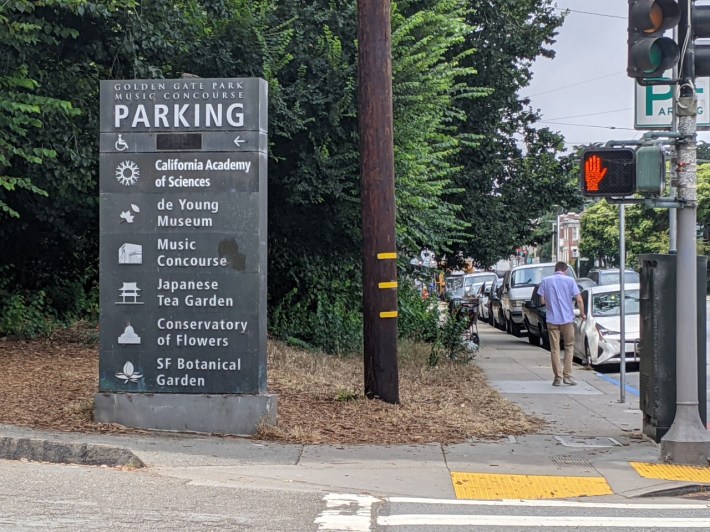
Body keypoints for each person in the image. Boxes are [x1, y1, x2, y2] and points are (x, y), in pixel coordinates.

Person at [537, 261, 586, 386]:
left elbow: (542, 300)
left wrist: (550, 304)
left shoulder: (546, 281)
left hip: (552, 319)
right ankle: (568, 376)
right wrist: (582, 313)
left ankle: (557, 378)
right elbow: (579, 299)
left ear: (555, 269)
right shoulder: (570, 281)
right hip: (567, 319)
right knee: (569, 347)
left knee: (555, 349)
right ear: (565, 270)